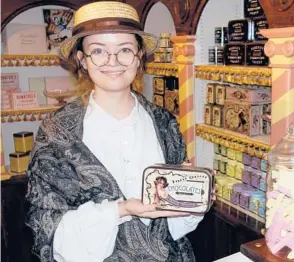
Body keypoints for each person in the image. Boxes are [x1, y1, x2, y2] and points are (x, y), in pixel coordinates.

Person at [25, 2, 207, 262]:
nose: (113, 62)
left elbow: (176, 223)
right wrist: (121, 210)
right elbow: (46, 225)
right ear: (82, 60)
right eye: (98, 51)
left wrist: (194, 199)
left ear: (139, 56)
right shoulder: (57, 132)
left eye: (125, 50)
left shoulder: (164, 122)